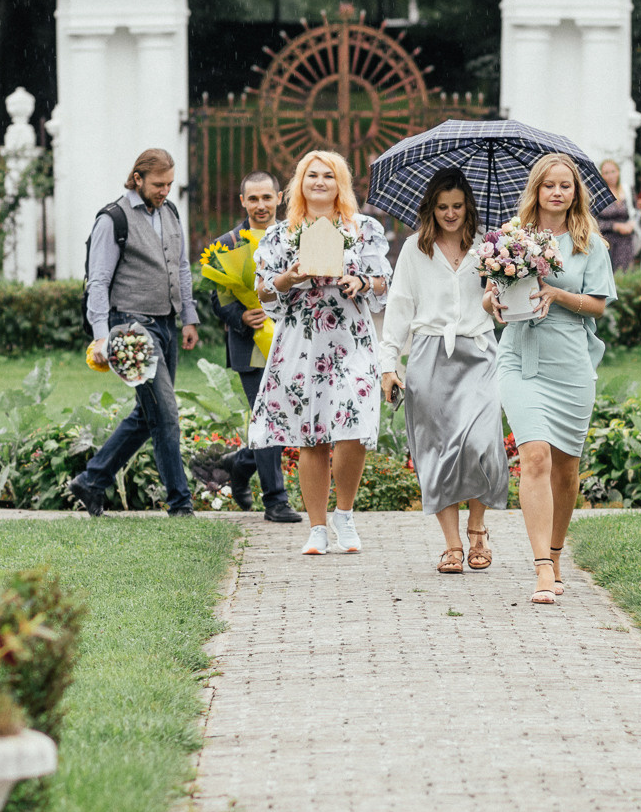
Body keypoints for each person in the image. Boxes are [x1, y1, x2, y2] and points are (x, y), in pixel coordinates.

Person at [485, 153, 615, 605]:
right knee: (535, 455)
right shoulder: (511, 239)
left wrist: (557, 294)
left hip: (570, 363)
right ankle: (542, 567)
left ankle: (557, 554)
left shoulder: (589, 244)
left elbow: (598, 306)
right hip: (519, 358)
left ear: (575, 193)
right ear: (536, 190)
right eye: (549, 185)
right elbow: (489, 294)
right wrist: (491, 304)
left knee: (566, 468)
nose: (557, 192)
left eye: (566, 185)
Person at [250, 149, 390, 555]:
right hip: (303, 339)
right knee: (311, 434)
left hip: (351, 337)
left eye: (328, 175)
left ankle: (344, 514)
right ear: (300, 182)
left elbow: (383, 280)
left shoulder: (363, 228)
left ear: (340, 183)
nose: (320, 182)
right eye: (312, 175)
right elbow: (263, 289)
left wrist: (361, 282)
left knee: (354, 425)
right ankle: (316, 527)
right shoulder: (281, 233)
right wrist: (289, 278)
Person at [379, 168, 508, 575]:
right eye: (442, 207)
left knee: (482, 444)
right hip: (430, 355)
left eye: (457, 206)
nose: (450, 214)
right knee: (438, 452)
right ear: (430, 209)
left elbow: (507, 302)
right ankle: (452, 545)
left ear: (468, 206)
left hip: (479, 351)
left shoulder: (490, 247)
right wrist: (388, 366)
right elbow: (399, 307)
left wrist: (501, 287)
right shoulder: (415, 249)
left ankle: (477, 529)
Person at [70, 148, 202, 518]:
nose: (165, 191)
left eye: (170, 184)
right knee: (166, 413)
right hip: (130, 327)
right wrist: (100, 335)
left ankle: (91, 481)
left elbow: (182, 267)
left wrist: (188, 317)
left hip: (166, 323)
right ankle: (180, 504)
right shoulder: (113, 219)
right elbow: (98, 282)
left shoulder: (170, 212)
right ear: (138, 178)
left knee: (149, 413)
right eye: (159, 184)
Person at [205, 171, 302, 524]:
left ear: (279, 198)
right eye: (253, 199)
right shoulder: (226, 245)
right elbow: (216, 297)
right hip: (251, 347)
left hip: (292, 344)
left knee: (288, 418)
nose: (261, 205)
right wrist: (240, 315)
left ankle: (240, 463)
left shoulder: (295, 237)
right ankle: (275, 501)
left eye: (267, 197)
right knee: (269, 419)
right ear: (242, 201)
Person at [597, 157, 638, 272]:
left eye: (613, 171)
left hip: (626, 241)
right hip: (607, 241)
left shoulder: (627, 190)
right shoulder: (598, 195)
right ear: (601, 175)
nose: (610, 176)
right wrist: (614, 226)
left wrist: (632, 224)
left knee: (626, 273)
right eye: (606, 173)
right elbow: (593, 221)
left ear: (618, 172)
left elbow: (635, 212)